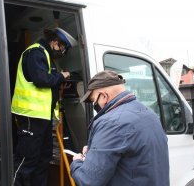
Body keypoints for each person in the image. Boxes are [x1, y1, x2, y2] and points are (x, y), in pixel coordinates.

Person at [70, 70, 170, 186]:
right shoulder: (149, 113)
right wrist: (95, 151)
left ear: (104, 96)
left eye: (94, 101)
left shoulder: (111, 123)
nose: (95, 106)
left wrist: (77, 162)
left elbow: (88, 180)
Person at [11, 27, 77, 186]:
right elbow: (42, 80)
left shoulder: (46, 56)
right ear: (55, 43)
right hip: (31, 116)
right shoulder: (36, 52)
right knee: (27, 161)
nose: (62, 52)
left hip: (42, 118)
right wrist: (62, 76)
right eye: (62, 48)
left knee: (43, 159)